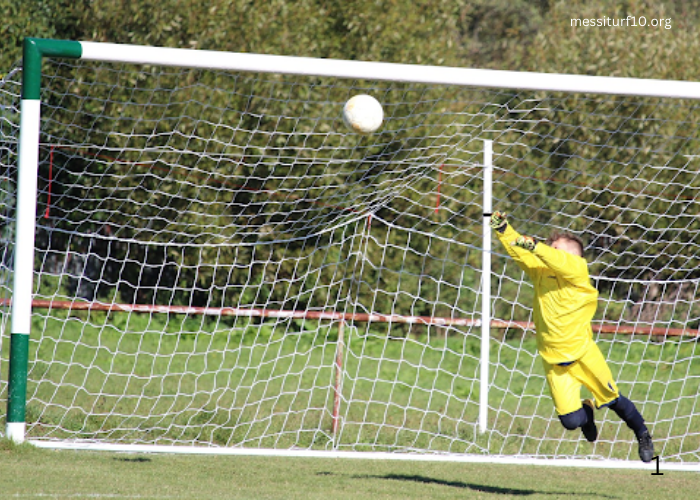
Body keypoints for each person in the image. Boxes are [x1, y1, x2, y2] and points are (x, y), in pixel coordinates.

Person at [489, 211, 654, 463]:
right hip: (554, 360)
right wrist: (503, 229)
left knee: (613, 400)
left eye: (554, 248)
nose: (547, 250)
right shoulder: (541, 273)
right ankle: (587, 410)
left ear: (570, 255)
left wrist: (535, 245)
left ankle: (642, 433)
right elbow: (520, 252)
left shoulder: (578, 272)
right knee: (571, 421)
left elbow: (556, 259)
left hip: (582, 354)